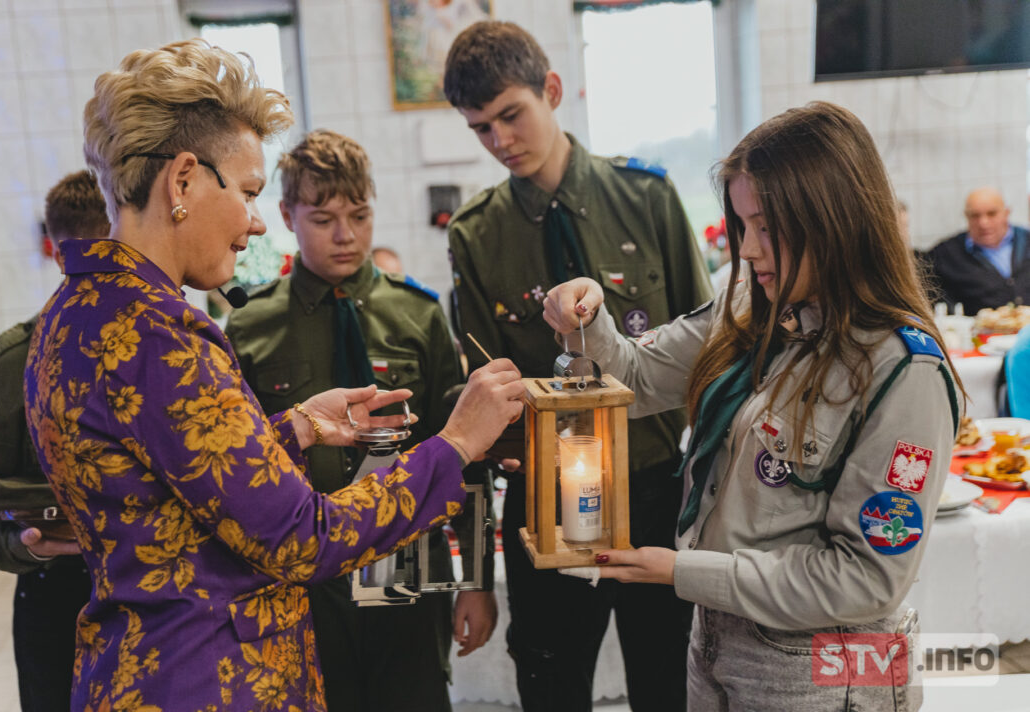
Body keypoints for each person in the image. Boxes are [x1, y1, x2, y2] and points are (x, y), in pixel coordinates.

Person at [24, 38, 524, 712]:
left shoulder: (77, 311)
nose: (255, 225)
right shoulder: (162, 336)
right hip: (208, 678)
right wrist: (456, 444)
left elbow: (175, 480)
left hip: (137, 664)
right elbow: (301, 537)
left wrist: (294, 427)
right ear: (182, 182)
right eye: (252, 194)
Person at [543, 101, 962, 711]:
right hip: (720, 635)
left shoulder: (902, 368)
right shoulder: (750, 305)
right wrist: (585, 316)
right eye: (741, 226)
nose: (749, 249)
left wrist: (684, 572)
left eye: (767, 227)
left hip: (820, 666)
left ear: (836, 221)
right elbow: (633, 376)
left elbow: (867, 578)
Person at [443, 21, 712, 712]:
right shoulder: (477, 236)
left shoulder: (646, 198)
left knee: (668, 685)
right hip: (546, 498)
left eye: (511, 115)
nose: (500, 140)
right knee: (550, 685)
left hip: (656, 490)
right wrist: (473, 569)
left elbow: (713, 357)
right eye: (480, 129)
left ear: (551, 91)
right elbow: (477, 403)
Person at [225, 129, 497, 712]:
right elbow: (238, 468)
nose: (346, 235)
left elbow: (462, 454)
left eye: (360, 214)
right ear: (286, 216)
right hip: (303, 580)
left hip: (405, 564)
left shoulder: (418, 315)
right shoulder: (251, 329)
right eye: (323, 219)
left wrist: (475, 580)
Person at [0, 171, 108, 712]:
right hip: (55, 592)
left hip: (166, 592)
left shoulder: (173, 351)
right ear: (56, 253)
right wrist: (15, 545)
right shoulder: (8, 367)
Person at [926, 187, 1030, 313]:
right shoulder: (945, 254)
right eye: (975, 216)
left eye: (992, 214)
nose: (983, 223)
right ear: (966, 217)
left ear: (1006, 213)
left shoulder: (1026, 240)